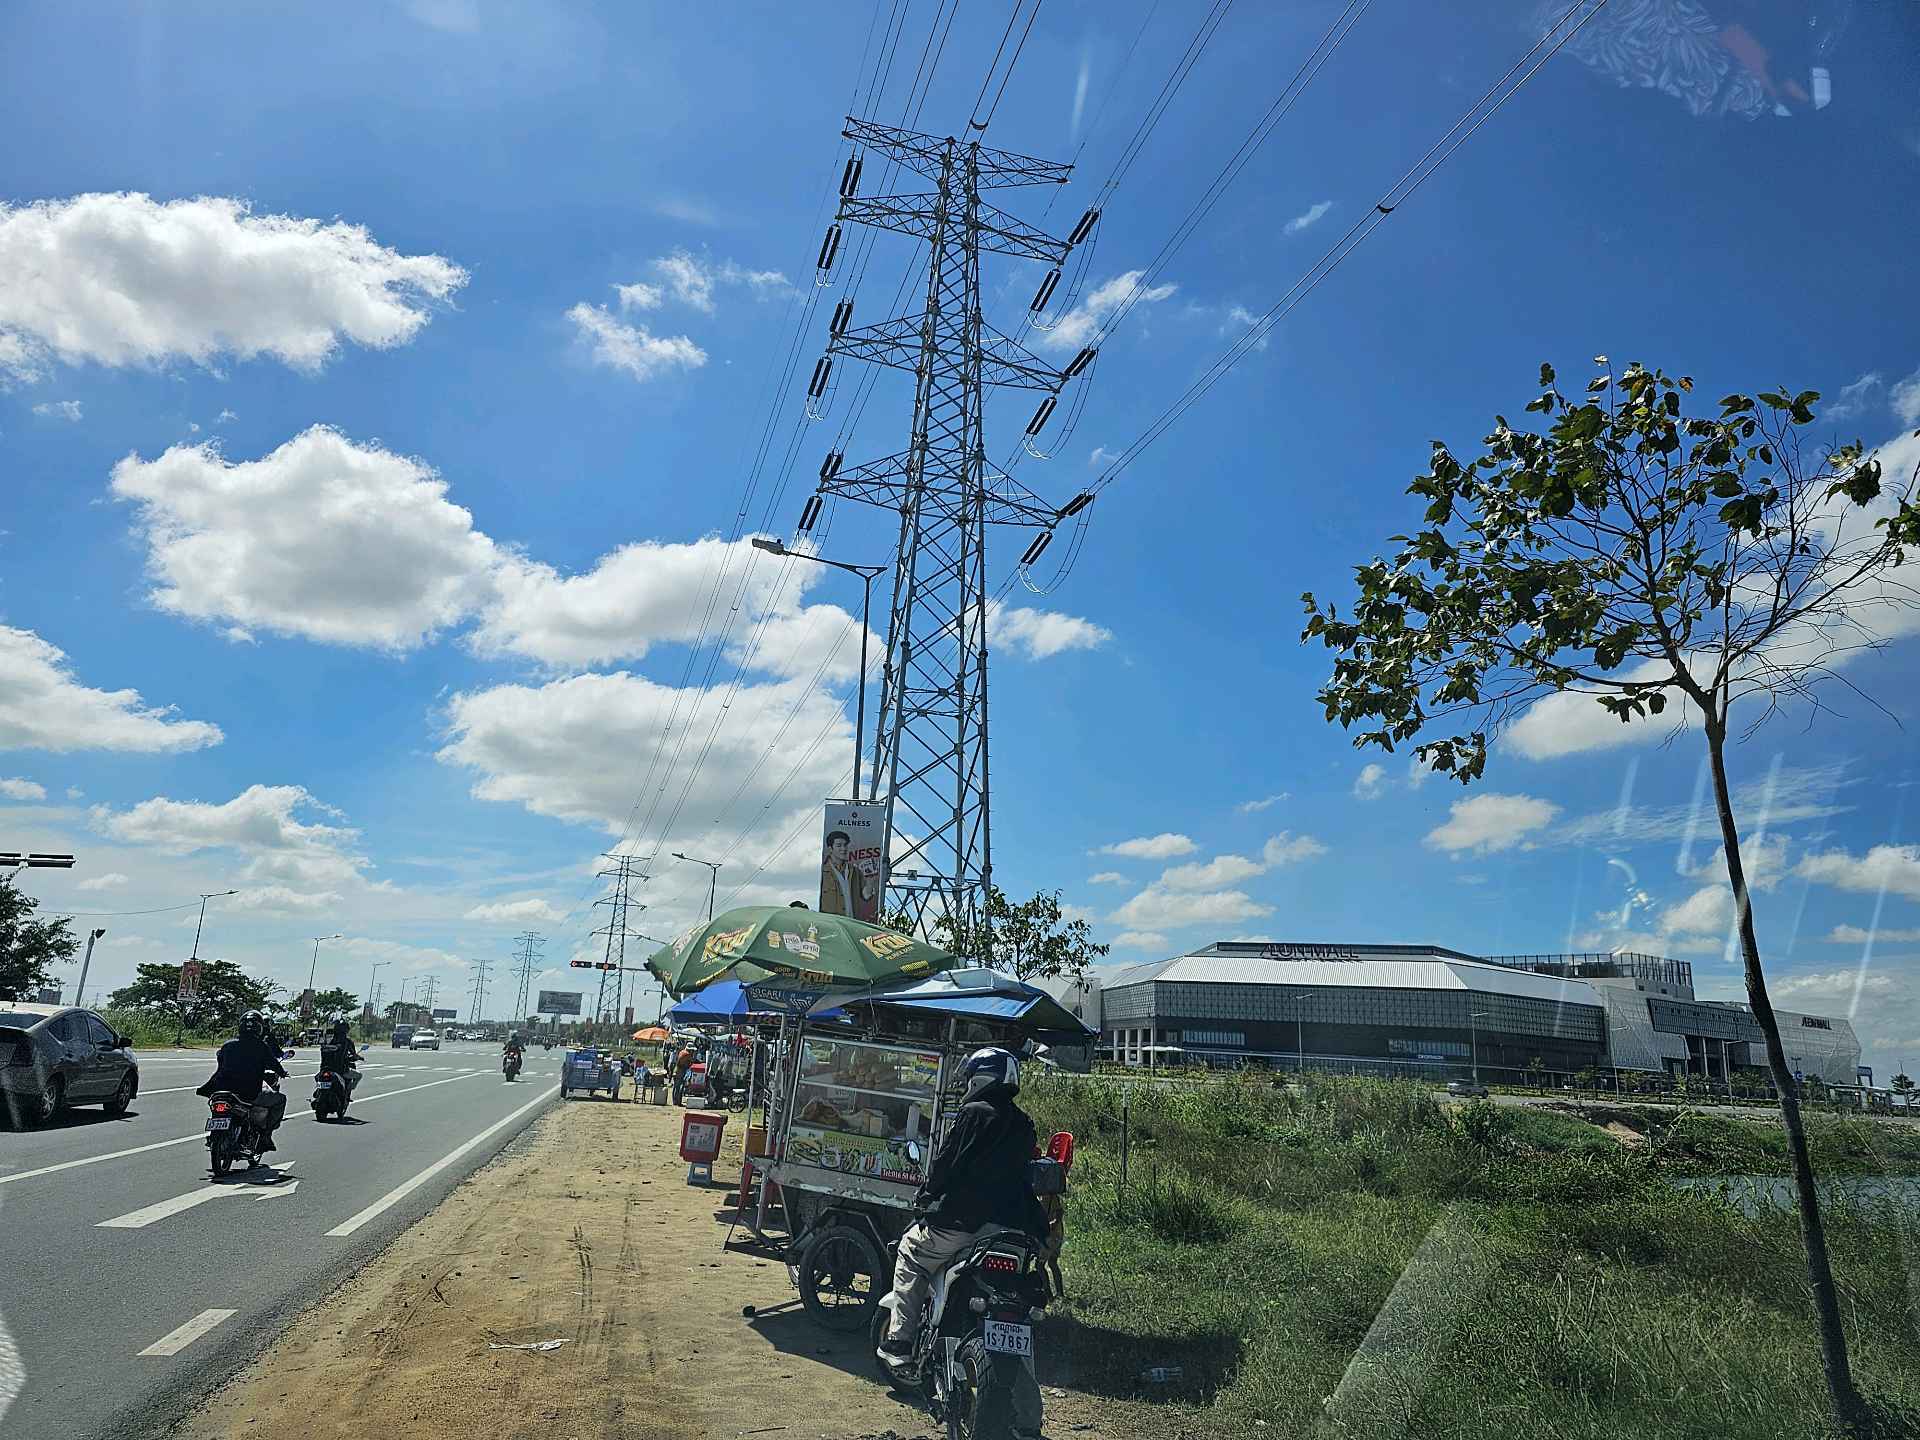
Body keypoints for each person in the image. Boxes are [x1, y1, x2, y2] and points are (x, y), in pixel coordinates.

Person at [878, 1045, 1047, 1436]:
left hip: (965, 1225)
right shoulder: (1023, 1124)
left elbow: (948, 1163)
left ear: (980, 1078)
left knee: (911, 1253)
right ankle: (1029, 1422)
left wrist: (926, 1195)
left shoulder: (974, 1113)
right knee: (1015, 1325)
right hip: (1014, 1233)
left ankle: (900, 1341)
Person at [196, 1010, 289, 1154]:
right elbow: (273, 1063)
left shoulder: (227, 1045)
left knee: (218, 1105)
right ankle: (266, 1136)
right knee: (280, 1100)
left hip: (222, 1089)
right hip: (248, 1093)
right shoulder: (261, 1046)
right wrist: (282, 1073)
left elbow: (220, 1061)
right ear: (259, 1028)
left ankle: (217, 1135)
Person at [817, 829, 875, 920]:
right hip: (831, 924)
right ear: (830, 848)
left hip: (851, 923)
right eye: (839, 845)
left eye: (845, 845)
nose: (843, 849)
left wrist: (870, 879)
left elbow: (866, 895)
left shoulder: (855, 871)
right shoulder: (821, 871)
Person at [319, 1019, 363, 1101]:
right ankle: (347, 1092)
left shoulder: (328, 1040)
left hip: (324, 1069)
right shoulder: (347, 1041)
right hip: (341, 1069)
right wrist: (358, 1057)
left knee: (319, 1078)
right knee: (359, 1075)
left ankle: (318, 1093)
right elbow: (353, 1054)